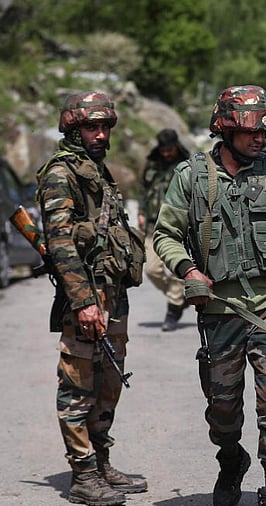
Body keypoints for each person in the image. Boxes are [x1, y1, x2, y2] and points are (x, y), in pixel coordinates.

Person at [153, 85, 266, 506]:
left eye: (265, 131)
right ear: (225, 130)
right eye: (251, 132)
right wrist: (189, 270)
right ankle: (231, 460)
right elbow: (165, 235)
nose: (260, 139)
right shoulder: (190, 178)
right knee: (222, 409)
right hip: (220, 310)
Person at [36, 91, 148, 506]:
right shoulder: (61, 174)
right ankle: (82, 474)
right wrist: (83, 301)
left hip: (113, 293)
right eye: (91, 127)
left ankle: (101, 461)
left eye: (104, 127)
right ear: (72, 127)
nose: (100, 134)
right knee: (78, 383)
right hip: (87, 293)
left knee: (109, 381)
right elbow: (61, 243)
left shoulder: (97, 170)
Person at [139, 128, 190, 331]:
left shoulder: (186, 165)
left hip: (180, 225)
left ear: (176, 146)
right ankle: (177, 296)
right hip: (153, 225)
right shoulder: (152, 163)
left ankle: (173, 309)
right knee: (151, 269)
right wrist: (141, 212)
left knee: (179, 268)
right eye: (163, 150)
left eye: (170, 149)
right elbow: (143, 190)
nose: (167, 154)